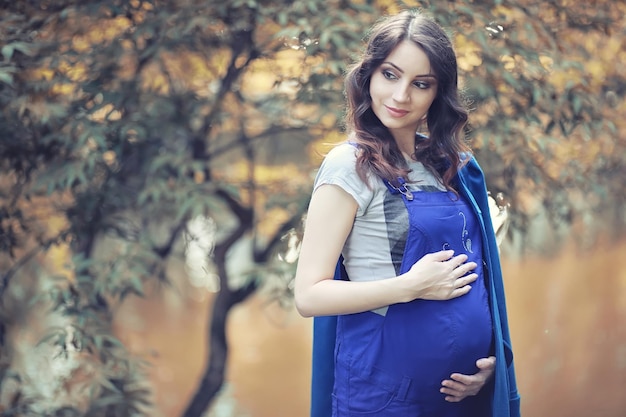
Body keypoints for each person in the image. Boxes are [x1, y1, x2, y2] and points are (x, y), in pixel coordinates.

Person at [294, 10, 521, 417]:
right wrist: (410, 286)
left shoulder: (454, 165)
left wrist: (493, 364)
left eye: (421, 84)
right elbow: (309, 295)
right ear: (368, 77)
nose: (401, 96)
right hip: (384, 397)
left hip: (463, 398)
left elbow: (484, 276)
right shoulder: (348, 166)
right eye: (390, 75)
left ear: (439, 93)